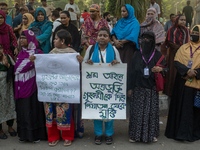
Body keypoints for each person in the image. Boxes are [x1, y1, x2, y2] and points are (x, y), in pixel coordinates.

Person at [29, 29, 83, 146]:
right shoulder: (52, 53)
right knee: (51, 112)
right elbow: (44, 68)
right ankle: (53, 136)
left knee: (66, 111)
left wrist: (80, 62)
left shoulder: (72, 54)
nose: (54, 41)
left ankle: (67, 136)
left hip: (65, 90)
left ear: (63, 41)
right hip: (52, 89)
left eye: (56, 39)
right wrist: (35, 61)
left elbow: (78, 71)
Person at [83, 27, 122, 145]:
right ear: (96, 37)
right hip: (95, 87)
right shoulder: (90, 49)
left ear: (109, 38)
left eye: (105, 35)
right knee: (97, 109)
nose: (102, 37)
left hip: (110, 87)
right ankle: (98, 133)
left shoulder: (114, 50)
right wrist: (88, 63)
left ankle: (109, 134)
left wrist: (116, 63)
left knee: (109, 110)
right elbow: (84, 64)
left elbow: (120, 65)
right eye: (100, 35)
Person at [127, 31, 167, 143]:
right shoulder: (136, 54)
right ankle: (135, 134)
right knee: (136, 113)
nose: (146, 41)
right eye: (143, 39)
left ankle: (151, 134)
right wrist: (129, 88)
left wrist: (160, 69)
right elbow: (130, 72)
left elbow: (166, 68)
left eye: (148, 39)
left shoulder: (158, 55)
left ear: (153, 41)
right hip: (138, 88)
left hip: (151, 88)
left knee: (151, 113)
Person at [165, 25, 200, 142]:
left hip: (196, 85)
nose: (194, 34)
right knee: (180, 108)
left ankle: (192, 134)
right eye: (193, 32)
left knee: (193, 111)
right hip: (182, 83)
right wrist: (186, 71)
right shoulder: (183, 47)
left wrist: (194, 73)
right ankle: (179, 133)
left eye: (197, 33)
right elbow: (176, 61)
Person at [15, 30, 47, 142]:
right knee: (22, 110)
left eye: (24, 38)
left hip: (32, 86)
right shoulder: (20, 52)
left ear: (30, 39)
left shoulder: (38, 52)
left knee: (32, 109)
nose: (21, 40)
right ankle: (24, 135)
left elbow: (44, 68)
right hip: (20, 86)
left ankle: (35, 135)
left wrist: (35, 62)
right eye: (20, 38)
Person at [163, 15, 190, 96]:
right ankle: (170, 91)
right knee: (173, 71)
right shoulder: (172, 29)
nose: (183, 21)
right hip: (173, 53)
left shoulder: (186, 30)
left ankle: (180, 91)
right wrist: (179, 48)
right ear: (177, 20)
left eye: (184, 20)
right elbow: (168, 41)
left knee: (182, 70)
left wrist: (184, 50)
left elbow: (188, 42)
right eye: (181, 20)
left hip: (184, 54)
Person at [111, 4, 140, 70]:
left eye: (124, 11)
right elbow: (113, 32)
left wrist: (121, 42)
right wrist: (115, 41)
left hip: (128, 49)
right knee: (116, 66)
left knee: (127, 67)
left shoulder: (135, 23)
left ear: (129, 12)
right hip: (117, 48)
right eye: (121, 11)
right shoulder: (119, 22)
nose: (122, 13)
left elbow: (133, 35)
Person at [0, 43, 16, 140]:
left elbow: (14, 70)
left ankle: (10, 127)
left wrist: (8, 65)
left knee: (10, 104)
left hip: (7, 87)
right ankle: (0, 129)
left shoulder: (8, 57)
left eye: (0, 48)